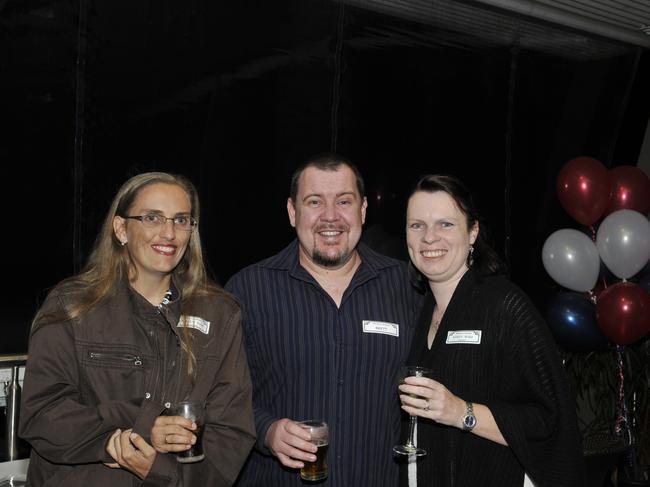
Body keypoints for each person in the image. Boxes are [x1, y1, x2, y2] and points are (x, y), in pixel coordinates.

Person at [19, 172, 255, 487]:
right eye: (152, 218)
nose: (169, 233)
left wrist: (160, 470)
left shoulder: (219, 315)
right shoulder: (73, 306)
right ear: (121, 229)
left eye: (181, 220)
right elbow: (42, 415)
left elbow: (231, 435)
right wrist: (144, 426)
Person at [225, 153, 422, 486]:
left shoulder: (406, 287)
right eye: (314, 202)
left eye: (344, 201)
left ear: (362, 210)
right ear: (292, 212)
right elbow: (219, 396)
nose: (330, 217)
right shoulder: (248, 289)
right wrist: (267, 431)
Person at [398, 174, 585, 487]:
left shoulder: (506, 306)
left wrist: (462, 412)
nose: (429, 237)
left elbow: (549, 420)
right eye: (417, 225)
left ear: (473, 232)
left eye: (446, 224)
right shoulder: (420, 309)